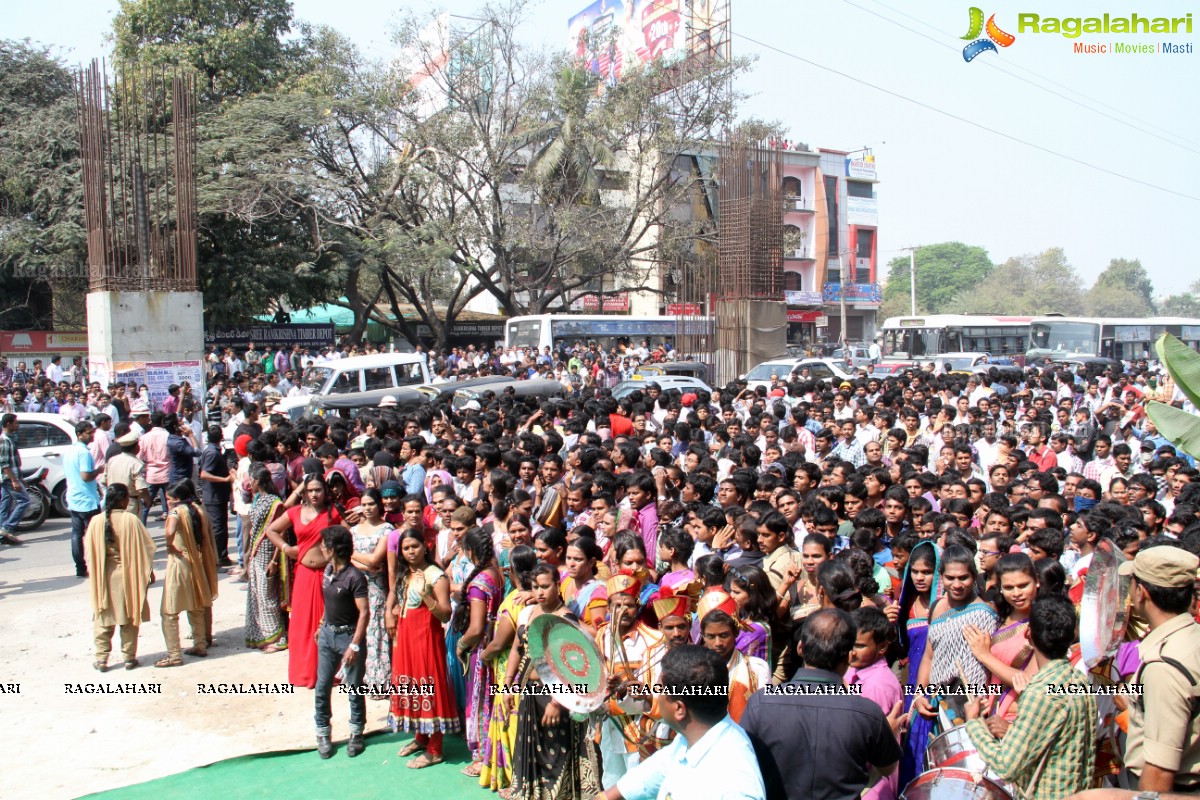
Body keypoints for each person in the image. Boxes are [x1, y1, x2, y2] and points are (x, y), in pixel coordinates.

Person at [739, 608, 906, 800]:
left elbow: (743, 764)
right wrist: (889, 734)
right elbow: (887, 768)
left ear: (800, 648)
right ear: (849, 657)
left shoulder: (761, 702)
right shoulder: (867, 712)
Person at [964, 595, 1097, 800]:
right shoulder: (1080, 681)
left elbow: (1005, 765)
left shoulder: (1039, 693)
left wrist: (973, 723)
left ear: (1028, 634)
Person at [600, 645, 767, 800]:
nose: (655, 696)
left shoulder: (735, 784)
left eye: (659, 690)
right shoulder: (688, 741)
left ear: (679, 708)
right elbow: (634, 784)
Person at [503, 561, 601, 799]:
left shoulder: (565, 617)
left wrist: (557, 702)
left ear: (558, 586)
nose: (539, 592)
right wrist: (507, 684)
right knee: (533, 753)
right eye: (535, 587)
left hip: (555, 696)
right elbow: (517, 648)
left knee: (554, 755)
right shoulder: (528, 612)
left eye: (545, 586)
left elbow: (575, 665)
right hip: (530, 693)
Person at [1120, 545, 1200, 791]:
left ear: (1141, 592)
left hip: (1166, 788)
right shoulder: (1190, 638)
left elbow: (1158, 771)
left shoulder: (1164, 666)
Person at [386, 528, 461, 769]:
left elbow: (445, 613)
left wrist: (427, 596)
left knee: (430, 687)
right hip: (406, 638)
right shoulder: (405, 573)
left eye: (414, 547)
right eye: (406, 548)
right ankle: (420, 736)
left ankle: (435, 748)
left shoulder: (436, 575)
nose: (410, 552)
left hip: (426, 640)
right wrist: (392, 611)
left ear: (424, 546)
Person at [264, 473, 343, 687]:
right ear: (304, 492)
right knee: (302, 623)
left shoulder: (332, 513)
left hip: (327, 575)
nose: (315, 494)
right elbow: (271, 530)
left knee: (326, 621)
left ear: (325, 491)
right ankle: (305, 672)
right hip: (304, 575)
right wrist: (286, 548)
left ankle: (328, 672)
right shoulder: (295, 512)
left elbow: (347, 536)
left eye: (318, 490)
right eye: (310, 490)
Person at [313, 525, 370, 759]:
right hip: (327, 635)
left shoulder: (354, 577)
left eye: (324, 545)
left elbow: (364, 612)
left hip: (349, 637)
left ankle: (356, 733)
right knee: (322, 686)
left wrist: (354, 645)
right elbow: (329, 603)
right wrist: (321, 624)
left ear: (334, 549)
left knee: (354, 688)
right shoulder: (328, 571)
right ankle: (323, 733)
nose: (320, 548)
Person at [85, 484, 155, 672]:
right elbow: (147, 549)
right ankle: (129, 658)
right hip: (128, 576)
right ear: (123, 500)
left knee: (104, 616)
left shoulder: (96, 521)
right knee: (129, 616)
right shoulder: (131, 520)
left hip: (105, 576)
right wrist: (148, 573)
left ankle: (101, 659)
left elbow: (89, 554)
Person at [453, 527, 503, 779]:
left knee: (481, 702)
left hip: (483, 650)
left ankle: (483, 757)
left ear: (470, 552)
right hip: (500, 647)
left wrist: (461, 645)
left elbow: (475, 628)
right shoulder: (498, 574)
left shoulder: (480, 582)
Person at [156, 480, 218, 667]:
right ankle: (200, 645)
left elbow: (170, 531)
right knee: (196, 606)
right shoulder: (196, 509)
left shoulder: (176, 512)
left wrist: (169, 545)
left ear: (176, 499)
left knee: (169, 612)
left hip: (179, 564)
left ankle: (174, 655)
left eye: (169, 499)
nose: (167, 502)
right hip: (195, 563)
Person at [348, 487, 393, 695]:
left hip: (375, 589)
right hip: (355, 587)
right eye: (364, 504)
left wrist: (356, 558)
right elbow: (345, 556)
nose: (367, 508)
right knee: (357, 631)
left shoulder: (387, 530)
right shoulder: (354, 530)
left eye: (371, 504)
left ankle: (378, 681)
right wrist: (364, 565)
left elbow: (377, 559)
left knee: (376, 633)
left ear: (379, 506)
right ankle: (357, 678)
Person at [243, 466, 288, 652]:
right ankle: (261, 634)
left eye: (250, 480)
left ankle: (279, 637)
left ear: (257, 481)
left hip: (269, 553)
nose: (248, 484)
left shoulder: (275, 503)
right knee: (256, 594)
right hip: (257, 551)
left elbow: (281, 531)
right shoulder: (258, 500)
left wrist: (275, 560)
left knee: (267, 594)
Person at [66, 421, 102, 578]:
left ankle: (80, 568)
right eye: (88, 433)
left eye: (92, 432)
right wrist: (99, 471)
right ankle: (96, 565)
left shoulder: (70, 450)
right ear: (80, 434)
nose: (91, 435)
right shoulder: (84, 453)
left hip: (75, 498)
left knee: (76, 535)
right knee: (94, 535)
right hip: (87, 500)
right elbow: (86, 476)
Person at [198, 425, 235, 567]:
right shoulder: (212, 453)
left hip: (217, 496)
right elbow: (204, 474)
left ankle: (221, 556)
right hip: (214, 497)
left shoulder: (212, 451)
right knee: (217, 529)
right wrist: (225, 480)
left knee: (220, 528)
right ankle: (218, 558)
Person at [0, 413, 28, 545]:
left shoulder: (10, 438)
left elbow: (15, 463)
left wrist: (20, 479)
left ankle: (2, 534)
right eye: (15, 423)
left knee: (5, 506)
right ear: (8, 424)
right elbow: (4, 464)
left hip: (11, 477)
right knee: (24, 501)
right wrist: (14, 480)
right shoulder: (5, 440)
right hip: (8, 478)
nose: (18, 425)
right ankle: (7, 528)